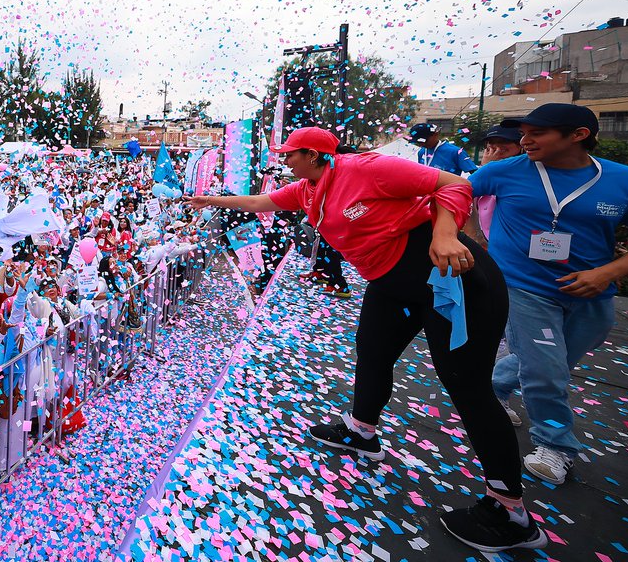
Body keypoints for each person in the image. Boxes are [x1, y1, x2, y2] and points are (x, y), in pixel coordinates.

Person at [188, 126, 543, 553]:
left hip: (447, 277)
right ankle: (361, 431)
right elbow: (262, 201)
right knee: (372, 353)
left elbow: (455, 184)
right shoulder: (308, 189)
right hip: (390, 283)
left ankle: (511, 512)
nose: (284, 160)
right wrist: (213, 200)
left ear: (315, 154)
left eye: (290, 154)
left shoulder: (366, 169)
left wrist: (446, 233)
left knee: (467, 388)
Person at [468, 104, 628, 485]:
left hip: (592, 292)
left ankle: (494, 389)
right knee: (546, 370)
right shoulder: (502, 172)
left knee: (552, 361)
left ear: (579, 135)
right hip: (521, 287)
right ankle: (555, 446)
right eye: (524, 132)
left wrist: (608, 273)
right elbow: (450, 194)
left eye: (538, 133)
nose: (525, 140)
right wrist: (471, 238)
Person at [408, 122, 478, 176]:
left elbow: (475, 173)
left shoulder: (455, 152)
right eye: (418, 142)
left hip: (448, 192)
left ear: (435, 135)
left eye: (423, 141)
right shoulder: (422, 152)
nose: (422, 144)